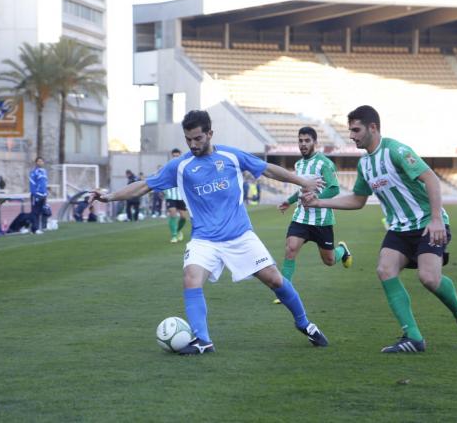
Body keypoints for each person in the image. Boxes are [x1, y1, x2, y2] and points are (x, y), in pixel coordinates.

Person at [89, 109, 329, 355]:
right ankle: (203, 341)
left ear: (209, 134)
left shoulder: (231, 156)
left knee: (275, 280)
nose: (193, 144)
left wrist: (303, 182)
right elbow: (144, 186)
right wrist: (109, 196)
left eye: (198, 139)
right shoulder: (180, 166)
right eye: (188, 140)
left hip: (240, 236)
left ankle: (304, 324)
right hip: (204, 240)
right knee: (191, 279)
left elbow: (268, 169)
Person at [301, 105, 457, 353]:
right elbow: (358, 200)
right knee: (385, 270)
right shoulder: (364, 164)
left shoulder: (396, 150)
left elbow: (431, 178)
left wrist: (437, 219)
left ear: (373, 128)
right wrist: (319, 202)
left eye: (356, 130)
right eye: (350, 130)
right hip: (399, 229)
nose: (351, 136)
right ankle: (414, 338)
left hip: (427, 223)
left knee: (429, 278)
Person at [274, 126, 352, 305]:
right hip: (301, 216)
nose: (303, 144)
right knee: (290, 248)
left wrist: (317, 198)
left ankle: (343, 251)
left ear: (315, 143)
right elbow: (303, 189)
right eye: (300, 140)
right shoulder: (299, 164)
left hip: (321, 220)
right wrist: (290, 200)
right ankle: (285, 293)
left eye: (307, 140)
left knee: (329, 260)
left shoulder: (324, 163)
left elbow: (334, 188)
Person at [163, 148, 188, 243]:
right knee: (173, 214)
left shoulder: (184, 167)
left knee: (183, 217)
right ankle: (174, 236)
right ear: (172, 156)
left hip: (181, 196)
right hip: (170, 195)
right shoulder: (167, 167)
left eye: (177, 156)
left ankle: (178, 231)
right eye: (174, 156)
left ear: (180, 156)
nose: (175, 158)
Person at [29, 156, 48, 234]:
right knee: (34, 212)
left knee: (40, 212)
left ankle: (36, 228)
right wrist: (35, 193)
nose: (40, 162)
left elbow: (45, 183)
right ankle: (35, 229)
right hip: (36, 195)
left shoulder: (44, 171)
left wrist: (45, 193)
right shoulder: (34, 172)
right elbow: (32, 183)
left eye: (41, 161)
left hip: (43, 195)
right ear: (36, 163)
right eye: (38, 161)